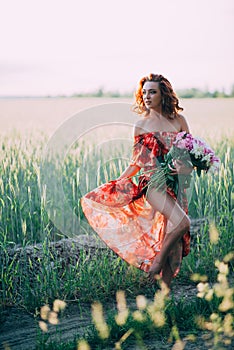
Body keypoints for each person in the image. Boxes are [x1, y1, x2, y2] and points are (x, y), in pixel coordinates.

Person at [81, 73, 192, 289]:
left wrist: (184, 167)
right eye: (144, 93)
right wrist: (118, 183)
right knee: (183, 222)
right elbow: (137, 163)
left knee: (176, 247)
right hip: (154, 185)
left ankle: (164, 300)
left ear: (164, 94)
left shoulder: (179, 120)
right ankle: (156, 262)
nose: (147, 96)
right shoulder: (141, 125)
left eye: (152, 92)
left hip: (177, 186)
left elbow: (189, 154)